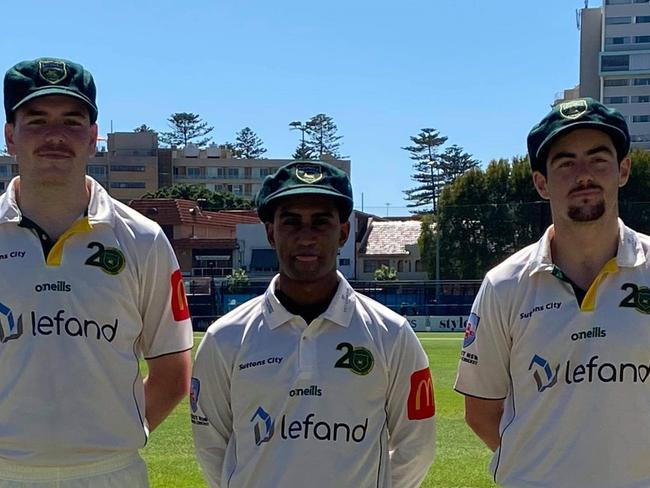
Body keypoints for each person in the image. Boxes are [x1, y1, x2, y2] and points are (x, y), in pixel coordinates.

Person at [1, 57, 193, 486]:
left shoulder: (143, 239)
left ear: (92, 138)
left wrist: (113, 438)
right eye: (37, 120)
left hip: (109, 474)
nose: (55, 135)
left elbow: (173, 369)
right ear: (11, 136)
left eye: (72, 121)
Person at [192, 161, 436, 487]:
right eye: (292, 223)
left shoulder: (392, 334)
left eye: (320, 223)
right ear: (270, 231)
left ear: (344, 233)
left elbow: (416, 445)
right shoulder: (225, 338)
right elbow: (211, 447)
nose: (306, 237)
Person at [455, 98, 650, 487]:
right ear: (541, 183)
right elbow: (480, 411)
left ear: (623, 169)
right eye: (565, 163)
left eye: (598, 159)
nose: (584, 175)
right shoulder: (504, 284)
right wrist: (543, 468)